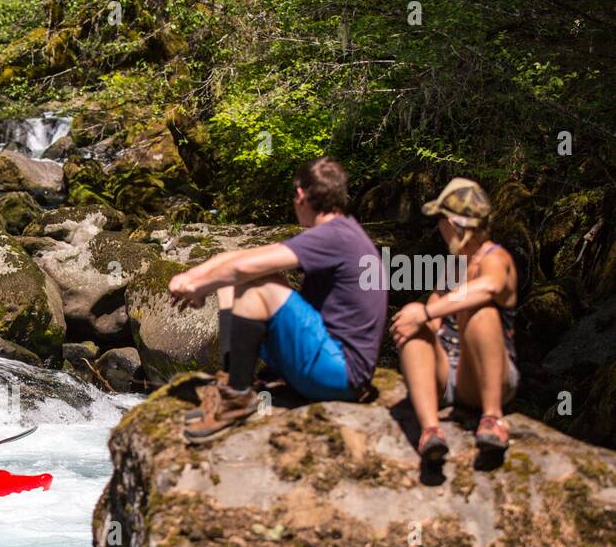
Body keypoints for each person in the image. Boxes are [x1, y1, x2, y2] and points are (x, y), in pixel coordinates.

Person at [168, 157, 387, 442]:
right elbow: (239, 258)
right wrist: (194, 278)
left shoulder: (335, 237)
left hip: (340, 374)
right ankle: (230, 384)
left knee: (257, 284)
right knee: (236, 281)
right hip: (329, 365)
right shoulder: (340, 232)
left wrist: (197, 287)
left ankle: (237, 398)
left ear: (300, 195)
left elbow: (245, 268)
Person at [391, 178, 518, 461]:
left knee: (481, 311)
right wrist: (416, 322)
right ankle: (431, 430)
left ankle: (493, 417)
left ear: (453, 223)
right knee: (415, 317)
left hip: (485, 376)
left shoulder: (496, 258)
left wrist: (425, 313)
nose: (438, 227)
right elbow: (432, 320)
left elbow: (489, 287)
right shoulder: (454, 265)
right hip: (447, 372)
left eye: (440, 220)